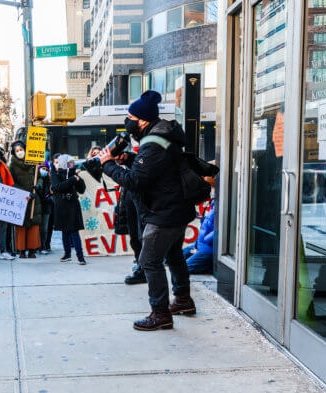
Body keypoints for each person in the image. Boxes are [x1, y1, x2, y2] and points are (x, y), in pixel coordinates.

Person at [99, 90, 196, 331]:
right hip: (176, 208)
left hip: (163, 211)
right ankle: (183, 300)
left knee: (149, 260)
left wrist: (108, 164)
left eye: (130, 117)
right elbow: (156, 170)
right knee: (174, 254)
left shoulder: (152, 143)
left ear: (142, 120)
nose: (128, 122)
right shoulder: (163, 136)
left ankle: (160, 313)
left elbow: (135, 182)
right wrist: (130, 159)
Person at [8, 140, 43, 258]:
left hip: (34, 198)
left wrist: (38, 185)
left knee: (34, 225)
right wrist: (24, 193)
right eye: (17, 151)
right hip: (21, 199)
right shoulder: (12, 165)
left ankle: (32, 250)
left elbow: (40, 177)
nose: (19, 152)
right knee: (21, 226)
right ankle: (22, 250)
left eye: (21, 150)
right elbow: (11, 182)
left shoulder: (34, 162)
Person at [51, 154, 87, 265]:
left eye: (72, 163)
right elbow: (58, 187)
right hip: (61, 205)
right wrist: (72, 179)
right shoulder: (56, 175)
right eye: (69, 163)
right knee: (64, 231)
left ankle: (80, 256)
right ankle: (67, 254)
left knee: (74, 231)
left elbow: (82, 190)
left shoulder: (73, 174)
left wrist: (78, 180)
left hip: (72, 205)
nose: (71, 165)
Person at [183, 176, 215, 274]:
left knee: (182, 269)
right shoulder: (214, 202)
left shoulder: (221, 203)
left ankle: (210, 266)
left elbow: (219, 231)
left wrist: (203, 243)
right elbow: (208, 225)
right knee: (173, 259)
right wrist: (203, 219)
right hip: (202, 245)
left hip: (208, 248)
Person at [38, 164, 53, 255]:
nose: (45, 171)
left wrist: (49, 196)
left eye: (46, 169)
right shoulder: (36, 179)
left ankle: (43, 246)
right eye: (43, 168)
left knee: (44, 228)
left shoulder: (49, 181)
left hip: (46, 207)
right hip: (37, 207)